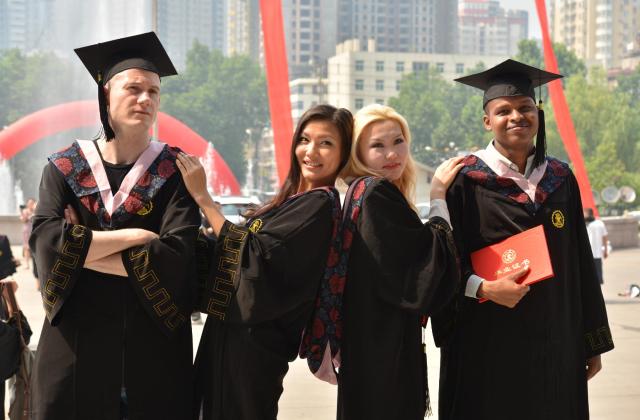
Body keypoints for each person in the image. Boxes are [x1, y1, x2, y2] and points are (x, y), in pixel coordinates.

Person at [28, 32, 201, 419]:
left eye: (154, 92)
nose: (145, 99)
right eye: (134, 88)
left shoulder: (176, 171)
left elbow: (177, 255)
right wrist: (137, 237)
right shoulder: (64, 168)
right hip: (76, 351)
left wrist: (81, 250)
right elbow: (46, 245)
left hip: (152, 358)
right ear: (106, 94)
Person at [440, 59, 614, 419]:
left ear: (537, 113)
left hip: (556, 338)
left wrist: (592, 339)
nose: (516, 116)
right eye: (503, 111)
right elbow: (443, 261)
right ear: (487, 121)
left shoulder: (560, 177)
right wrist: (483, 288)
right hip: (488, 340)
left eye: (525, 108)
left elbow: (581, 262)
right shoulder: (463, 180)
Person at [177, 104, 352, 420]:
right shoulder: (292, 201)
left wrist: (204, 199)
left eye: (326, 143)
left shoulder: (319, 206)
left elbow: (254, 256)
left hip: (254, 350)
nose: (311, 151)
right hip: (231, 336)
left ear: (344, 153)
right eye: (305, 140)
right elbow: (233, 254)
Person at [336, 104, 462, 419]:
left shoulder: (361, 190)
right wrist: (438, 197)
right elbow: (421, 269)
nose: (392, 154)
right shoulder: (376, 192)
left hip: (370, 344)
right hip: (384, 348)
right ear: (358, 153)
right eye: (377, 146)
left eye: (398, 141)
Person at [584, 207, 609, 285]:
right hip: (588, 254)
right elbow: (605, 237)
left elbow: (604, 237)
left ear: (588, 214)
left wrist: (605, 250)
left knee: (597, 277)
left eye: (584, 213)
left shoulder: (598, 223)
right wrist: (605, 250)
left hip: (596, 253)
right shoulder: (597, 223)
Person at [19, 199, 35, 270]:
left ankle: (36, 263)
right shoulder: (25, 211)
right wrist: (26, 217)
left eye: (32, 203)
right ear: (27, 204)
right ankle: (27, 264)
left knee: (35, 247)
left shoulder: (36, 211)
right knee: (26, 247)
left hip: (35, 231)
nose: (31, 204)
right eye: (30, 203)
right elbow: (22, 220)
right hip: (27, 231)